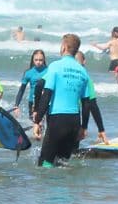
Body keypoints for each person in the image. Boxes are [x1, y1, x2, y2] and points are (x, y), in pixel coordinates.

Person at [38, 34, 102, 166]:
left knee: (45, 163)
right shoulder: (82, 71)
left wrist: (37, 120)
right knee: (63, 162)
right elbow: (86, 103)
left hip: (57, 119)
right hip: (74, 122)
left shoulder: (55, 66)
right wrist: (83, 127)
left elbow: (47, 94)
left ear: (65, 47)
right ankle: (63, 186)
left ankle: (45, 186)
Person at [13, 48, 49, 133]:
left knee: (42, 125)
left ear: (44, 60)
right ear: (33, 60)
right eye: (36, 60)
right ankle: (35, 143)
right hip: (32, 102)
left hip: (45, 101)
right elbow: (22, 90)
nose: (38, 62)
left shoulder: (49, 71)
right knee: (35, 124)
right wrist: (16, 105)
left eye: (41, 60)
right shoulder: (28, 73)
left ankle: (41, 142)